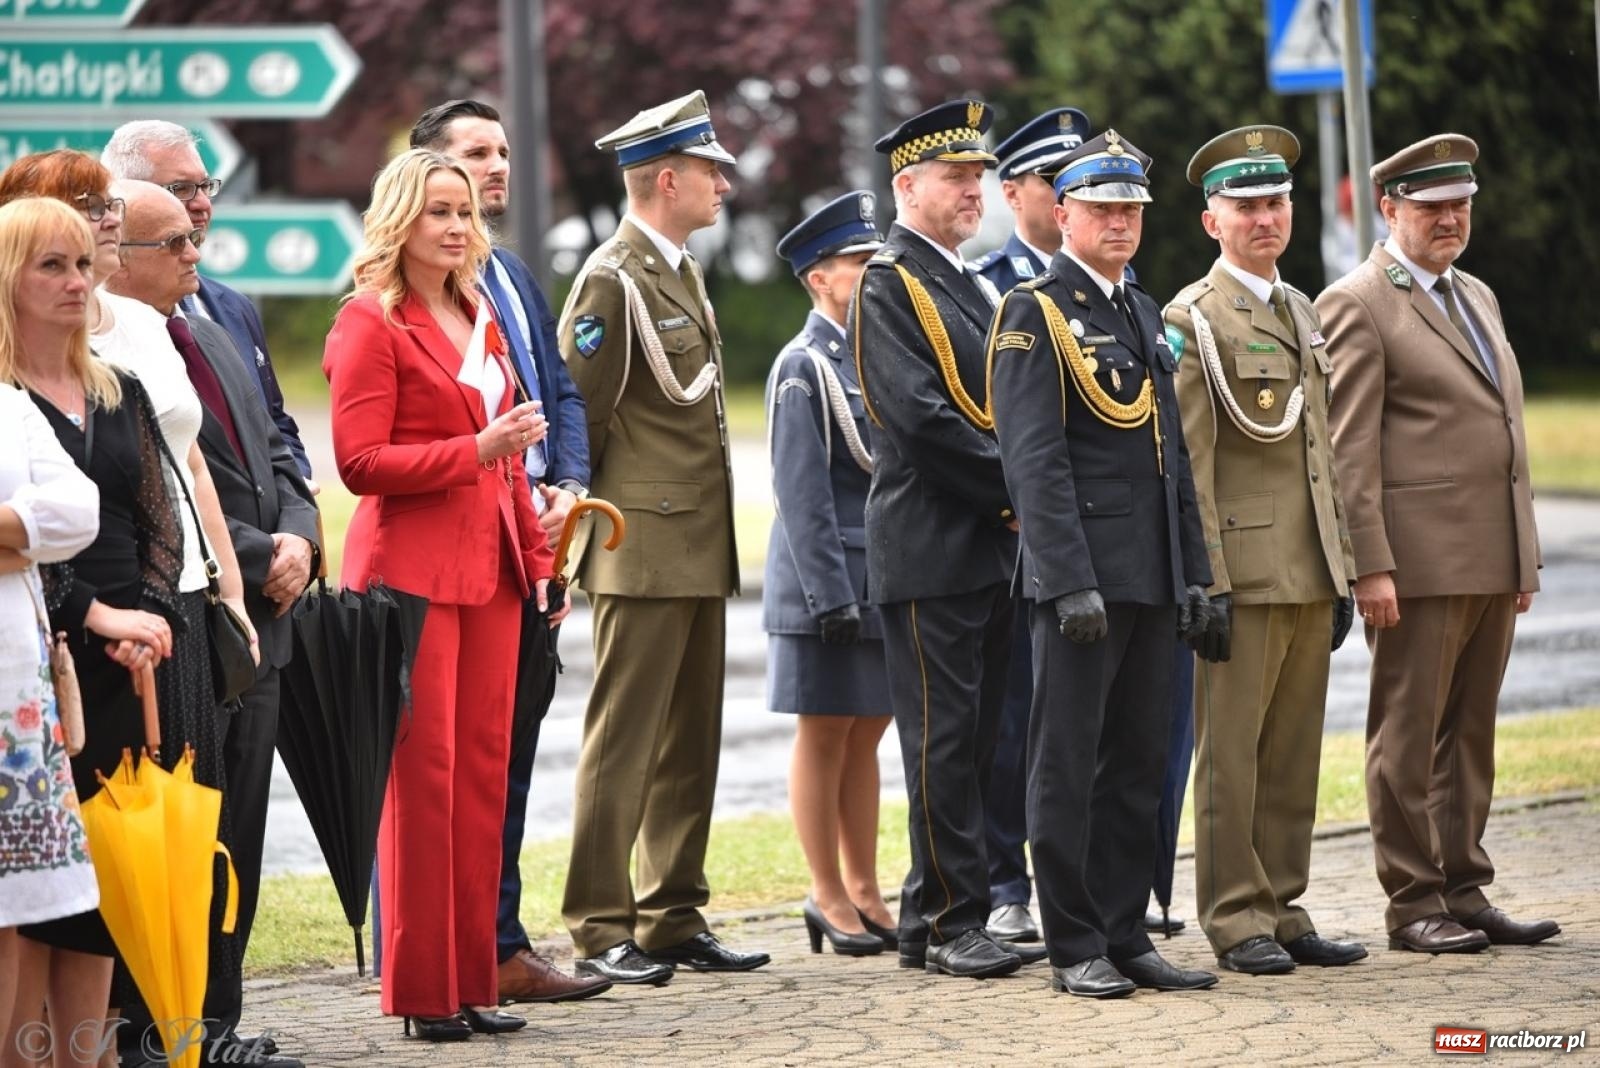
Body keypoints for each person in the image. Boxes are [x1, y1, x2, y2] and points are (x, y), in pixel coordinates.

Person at [325, 148, 561, 1041]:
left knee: (480, 780)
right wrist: (475, 452)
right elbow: (358, 465)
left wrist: (539, 561)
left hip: (495, 571)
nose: (458, 226)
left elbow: (513, 466)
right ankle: (422, 991)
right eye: (437, 212)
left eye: (465, 211)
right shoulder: (366, 323)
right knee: (422, 782)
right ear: (400, 220)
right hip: (411, 576)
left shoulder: (481, 313)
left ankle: (471, 981)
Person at [985, 130, 1215, 999]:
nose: (1120, 222)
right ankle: (1073, 939)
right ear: (1064, 212)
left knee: (1136, 761)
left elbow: (1173, 460)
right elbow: (1033, 463)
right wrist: (1066, 578)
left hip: (1150, 577)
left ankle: (1126, 931)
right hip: (1080, 582)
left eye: (1132, 210)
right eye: (1103, 208)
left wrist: (1194, 574)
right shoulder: (1033, 313)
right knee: (1066, 763)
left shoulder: (1145, 312)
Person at [1316, 134, 1556, 954]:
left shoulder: (1475, 293)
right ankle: (1413, 902)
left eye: (1460, 205)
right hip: (1414, 565)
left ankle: (1466, 889)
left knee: (1472, 732)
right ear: (1390, 209)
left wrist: (1521, 552)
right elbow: (1349, 449)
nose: (1450, 219)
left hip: (1490, 555)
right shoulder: (1357, 301)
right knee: (1409, 735)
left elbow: (1502, 426)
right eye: (1431, 208)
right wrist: (1370, 564)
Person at [106, 180, 318, 1067]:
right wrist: (246, 554)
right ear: (118, 250)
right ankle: (159, 1024)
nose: (200, 233)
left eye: (204, 201)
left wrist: (295, 539)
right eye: (177, 226)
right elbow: (146, 476)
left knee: (231, 826)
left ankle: (214, 1021)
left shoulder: (212, 315)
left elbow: (273, 440)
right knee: (163, 827)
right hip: (158, 604)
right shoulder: (107, 339)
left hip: (235, 604)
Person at [558, 90, 768, 985]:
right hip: (638, 545)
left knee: (690, 740)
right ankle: (602, 922)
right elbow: (584, 418)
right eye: (712, 169)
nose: (725, 183)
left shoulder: (677, 270)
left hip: (695, 542)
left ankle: (671, 914)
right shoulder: (612, 276)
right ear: (669, 178)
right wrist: (585, 538)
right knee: (623, 740)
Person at [405, 99, 606, 1006]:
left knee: (506, 753)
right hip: (448, 559)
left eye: (503, 154)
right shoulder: (396, 300)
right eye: (474, 155)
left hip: (532, 550)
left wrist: (563, 483)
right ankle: (449, 954)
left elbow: (558, 391)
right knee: (439, 767)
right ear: (424, 177)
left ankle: (498, 942)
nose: (496, 171)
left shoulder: (513, 275)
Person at [1163, 125, 1365, 975]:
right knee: (1232, 759)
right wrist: (1204, 578)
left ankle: (1285, 905)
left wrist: (1342, 565)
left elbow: (1321, 452)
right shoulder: (1194, 319)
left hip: (1307, 567)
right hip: (1241, 574)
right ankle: (1235, 914)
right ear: (1213, 221)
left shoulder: (1300, 308)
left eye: (1276, 202)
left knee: (1292, 752)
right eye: (1246, 205)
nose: (1265, 218)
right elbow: (1194, 464)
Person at [0, 195, 184, 1068]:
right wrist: (93, 614)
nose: (79, 282)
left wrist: (145, 612)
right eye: (53, 266)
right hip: (42, 655)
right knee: (36, 898)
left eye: (83, 264)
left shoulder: (116, 384)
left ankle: (95, 1054)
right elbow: (48, 543)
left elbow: (158, 515)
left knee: (101, 886)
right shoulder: (6, 396)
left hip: (127, 656)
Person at [851, 99, 1033, 980]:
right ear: (908, 185)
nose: (975, 191)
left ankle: (931, 918)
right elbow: (920, 421)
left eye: (979, 176)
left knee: (974, 737)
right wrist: (1020, 492)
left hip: (980, 545)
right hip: (933, 547)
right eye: (957, 178)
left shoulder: (962, 277)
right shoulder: (892, 280)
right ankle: (957, 918)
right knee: (944, 743)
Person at [969, 106, 1091, 946]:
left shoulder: (1102, 280)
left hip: (1099, 536)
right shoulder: (990, 286)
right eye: (1054, 182)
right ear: (1015, 193)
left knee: (1087, 722)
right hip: (1017, 534)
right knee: (1013, 719)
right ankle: (1009, 882)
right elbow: (989, 416)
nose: (1068, 197)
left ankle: (1087, 883)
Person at [764, 191, 895, 957]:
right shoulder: (802, 365)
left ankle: (867, 888)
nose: (873, 275)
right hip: (827, 583)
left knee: (867, 737)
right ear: (820, 277)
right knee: (825, 735)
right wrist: (828, 597)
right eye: (860, 264)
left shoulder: (872, 356)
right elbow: (801, 491)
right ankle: (825, 892)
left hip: (876, 575)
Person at [102, 121, 313, 479]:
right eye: (181, 189)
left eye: (205, 186)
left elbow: (273, 423)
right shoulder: (97, 324)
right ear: (125, 197)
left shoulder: (230, 307)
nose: (201, 203)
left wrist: (297, 507)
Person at [0, 379, 101, 1057]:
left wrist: (24, 540)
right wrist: (17, 535)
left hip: (14, 708)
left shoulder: (8, 406)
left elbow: (77, 513)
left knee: (8, 914)